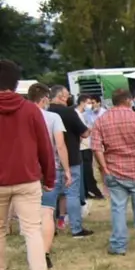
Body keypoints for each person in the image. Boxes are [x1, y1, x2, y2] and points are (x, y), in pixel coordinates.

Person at [0, 60, 57, 270]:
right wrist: (49, 178)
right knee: (32, 231)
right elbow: (45, 146)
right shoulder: (31, 110)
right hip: (27, 178)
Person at [92, 90, 135, 255]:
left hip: (114, 170)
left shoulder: (102, 120)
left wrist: (104, 168)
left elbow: (96, 147)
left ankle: (118, 244)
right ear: (129, 101)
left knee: (118, 208)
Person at [28, 83, 71, 267]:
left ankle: (31, 249)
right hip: (48, 169)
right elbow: (59, 145)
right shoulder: (53, 117)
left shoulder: (21, 115)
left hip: (25, 171)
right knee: (47, 211)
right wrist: (67, 169)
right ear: (45, 99)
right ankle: (44, 252)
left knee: (29, 216)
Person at [47, 85, 92, 238]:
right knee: (72, 193)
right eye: (67, 96)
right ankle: (76, 229)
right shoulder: (68, 112)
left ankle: (49, 227)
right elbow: (84, 132)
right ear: (61, 96)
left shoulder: (45, 112)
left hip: (49, 160)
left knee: (50, 195)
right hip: (71, 157)